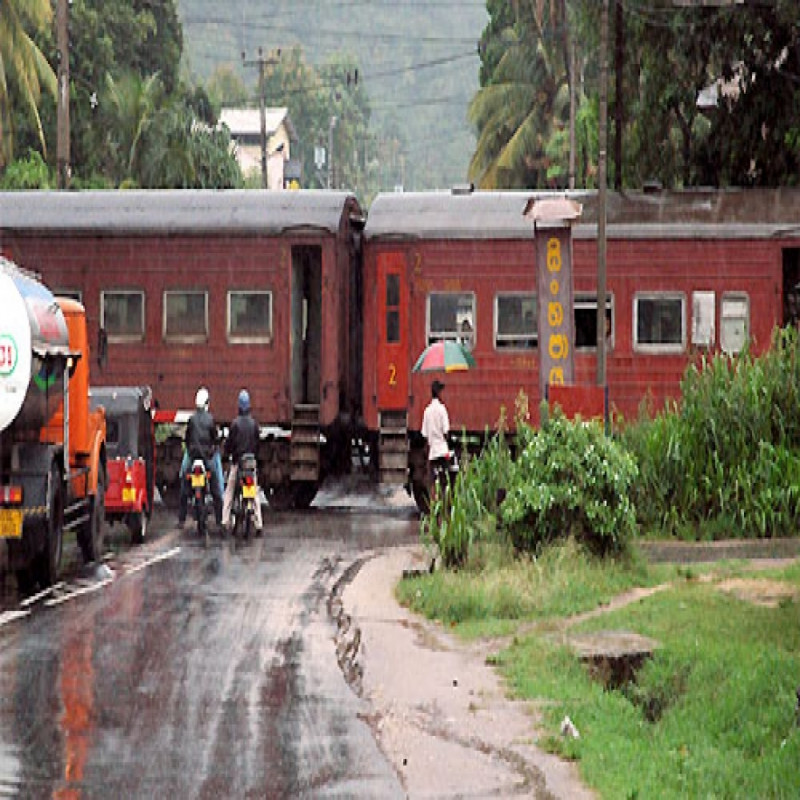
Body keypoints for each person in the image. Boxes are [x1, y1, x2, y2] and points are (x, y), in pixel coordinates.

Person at [178, 386, 224, 527]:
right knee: (216, 486)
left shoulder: (191, 419)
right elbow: (215, 439)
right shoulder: (210, 419)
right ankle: (219, 519)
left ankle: (181, 519)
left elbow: (186, 438)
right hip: (206, 458)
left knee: (184, 482)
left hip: (192, 457)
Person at [222, 389, 263, 533]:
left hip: (238, 463)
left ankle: (225, 520)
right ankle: (258, 524)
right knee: (255, 493)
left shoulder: (235, 424)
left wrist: (226, 455)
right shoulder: (254, 424)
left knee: (229, 490)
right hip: (251, 464)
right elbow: (258, 444)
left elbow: (229, 444)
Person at [421, 379, 451, 497]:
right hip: (443, 450)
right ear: (439, 393)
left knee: (432, 480)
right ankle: (444, 504)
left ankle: (434, 504)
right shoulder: (442, 409)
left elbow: (424, 434)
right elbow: (446, 431)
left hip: (433, 452)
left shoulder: (427, 411)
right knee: (444, 481)